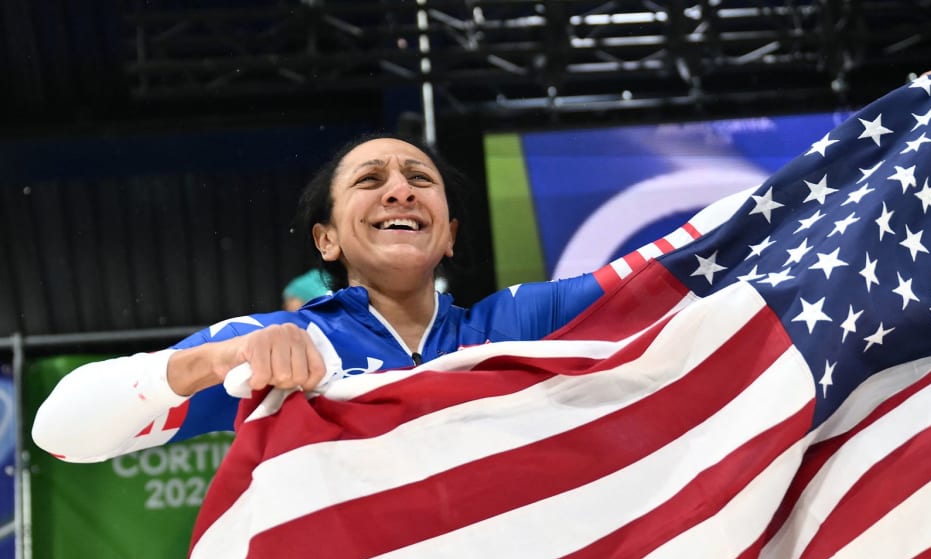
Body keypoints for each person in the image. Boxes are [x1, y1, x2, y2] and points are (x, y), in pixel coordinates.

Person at [32, 134, 613, 463]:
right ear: (326, 239)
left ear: (450, 235)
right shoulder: (270, 350)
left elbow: (673, 276)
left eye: (419, 178)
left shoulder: (517, 322)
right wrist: (216, 361)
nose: (399, 190)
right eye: (369, 180)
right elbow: (59, 436)